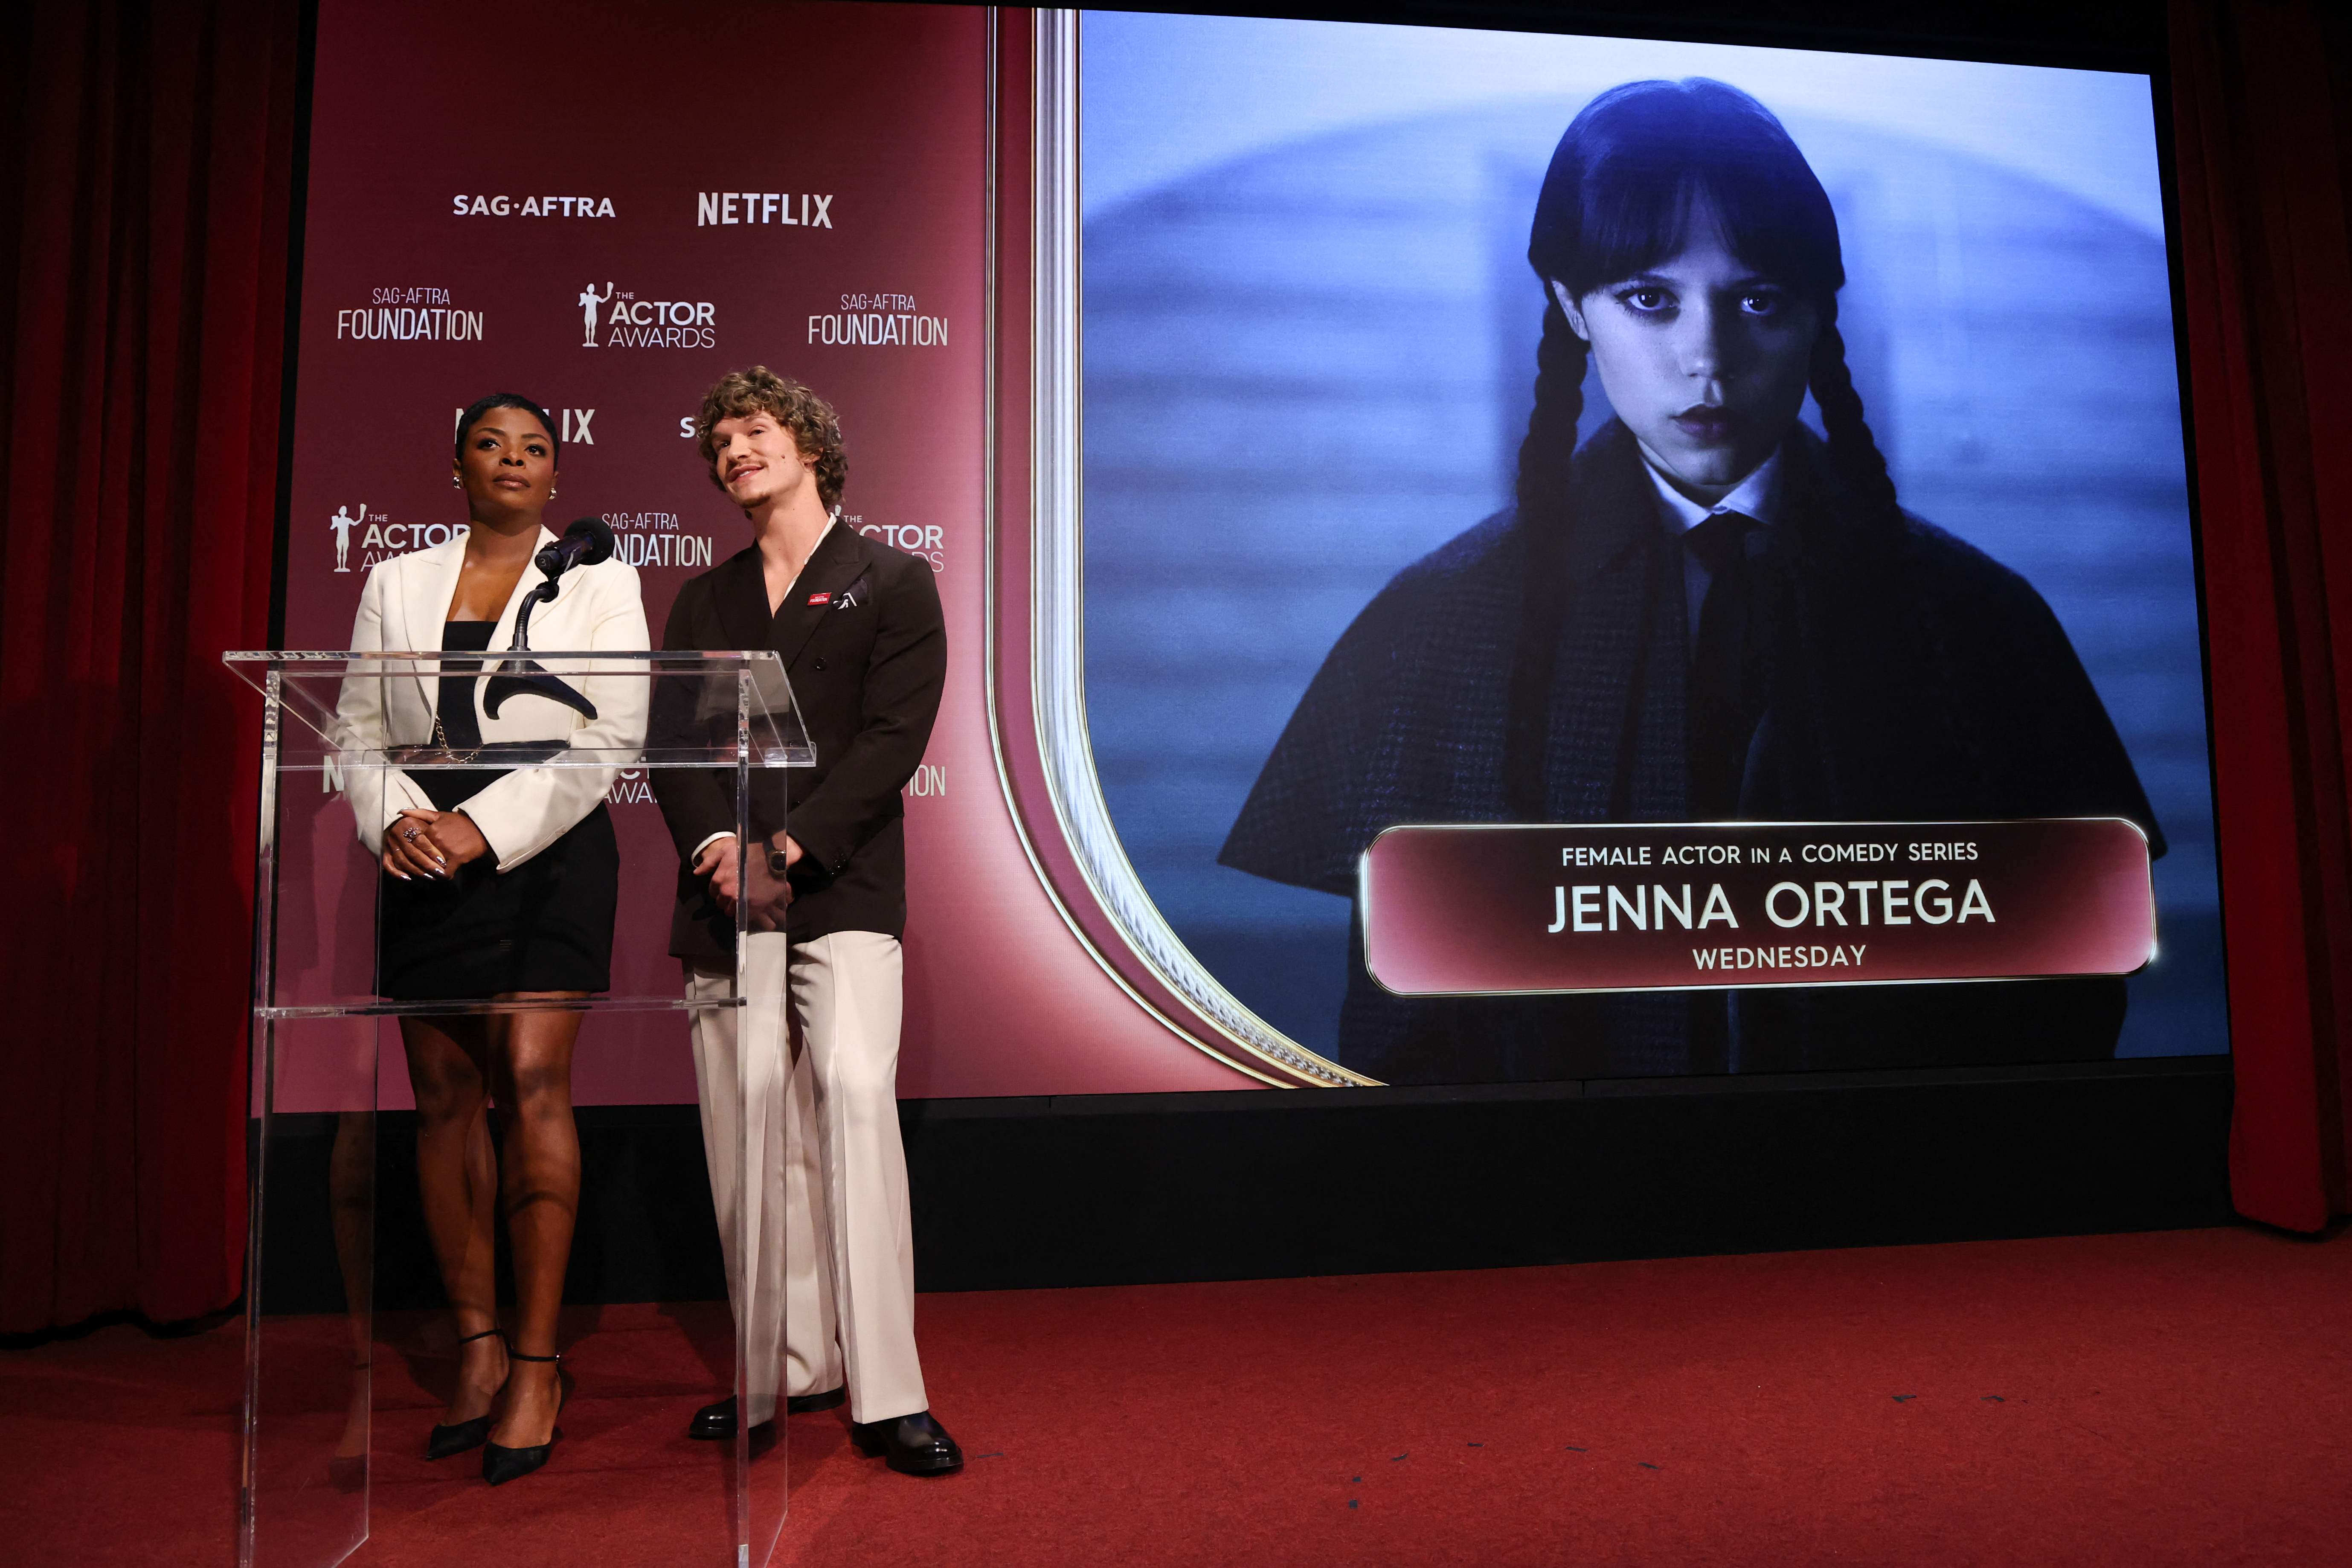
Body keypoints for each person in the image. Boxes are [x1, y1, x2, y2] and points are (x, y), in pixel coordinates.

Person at [1220, 79, 2160, 1086]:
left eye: (1757, 299)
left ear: (1815, 314)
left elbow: (2063, 995)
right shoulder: (1442, 620)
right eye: (1650, 299)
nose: (1706, 357)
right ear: (1571, 308)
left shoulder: (1976, 619)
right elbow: (1404, 1028)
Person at [334, 392, 649, 1484]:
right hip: (422, 851)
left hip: (545, 848)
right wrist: (400, 820)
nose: (514, 459)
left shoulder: (601, 578)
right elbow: (353, 732)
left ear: (555, 476)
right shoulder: (396, 579)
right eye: (490, 444)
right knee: (445, 1098)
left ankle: (535, 1358)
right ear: (456, 463)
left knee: (530, 1077)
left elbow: (614, 732)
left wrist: (484, 826)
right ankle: (473, 1346)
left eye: (535, 448)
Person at [649, 367, 958, 1475]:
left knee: (855, 1096)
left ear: (812, 445)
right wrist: (720, 848)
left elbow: (891, 739)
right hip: (722, 894)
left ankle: (889, 1390)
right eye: (720, 440)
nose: (735, 449)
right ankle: (781, 1369)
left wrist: (792, 846)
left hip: (841, 888)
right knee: (748, 1125)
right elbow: (672, 744)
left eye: (756, 430)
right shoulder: (704, 598)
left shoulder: (893, 580)